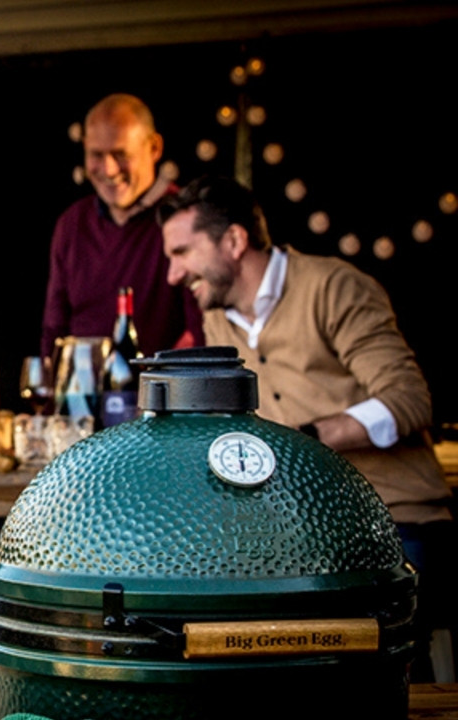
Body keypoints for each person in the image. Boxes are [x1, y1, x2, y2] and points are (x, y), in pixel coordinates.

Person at [158, 174, 456, 679]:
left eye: (182, 251)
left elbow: (408, 401)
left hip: (399, 516)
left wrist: (304, 444)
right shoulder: (218, 321)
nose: (172, 274)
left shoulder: (332, 286)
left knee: (378, 653)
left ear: (233, 241)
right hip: (302, 533)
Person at [40, 93, 202, 360]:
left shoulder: (188, 220)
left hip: (161, 396)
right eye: (96, 154)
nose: (109, 169)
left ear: (154, 148)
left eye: (120, 154)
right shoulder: (71, 223)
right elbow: (54, 329)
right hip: (82, 398)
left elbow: (201, 331)